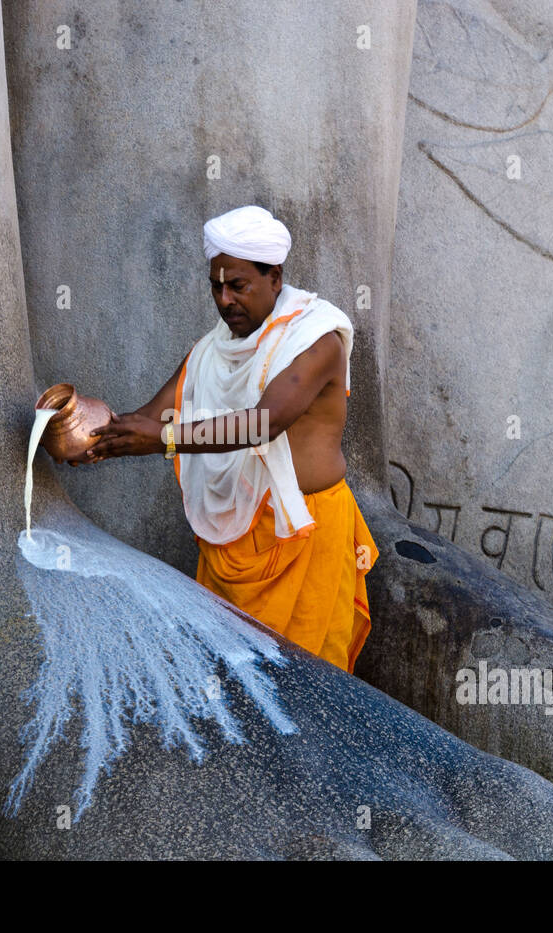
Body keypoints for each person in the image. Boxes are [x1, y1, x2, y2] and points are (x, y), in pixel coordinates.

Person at [69, 205, 378, 673]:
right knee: (235, 685)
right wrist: (96, 437)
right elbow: (153, 416)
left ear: (274, 277)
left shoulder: (317, 340)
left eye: (238, 285)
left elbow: (263, 424)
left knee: (306, 690)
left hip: (305, 535)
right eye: (216, 286)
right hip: (235, 538)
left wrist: (165, 438)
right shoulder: (214, 348)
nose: (224, 300)